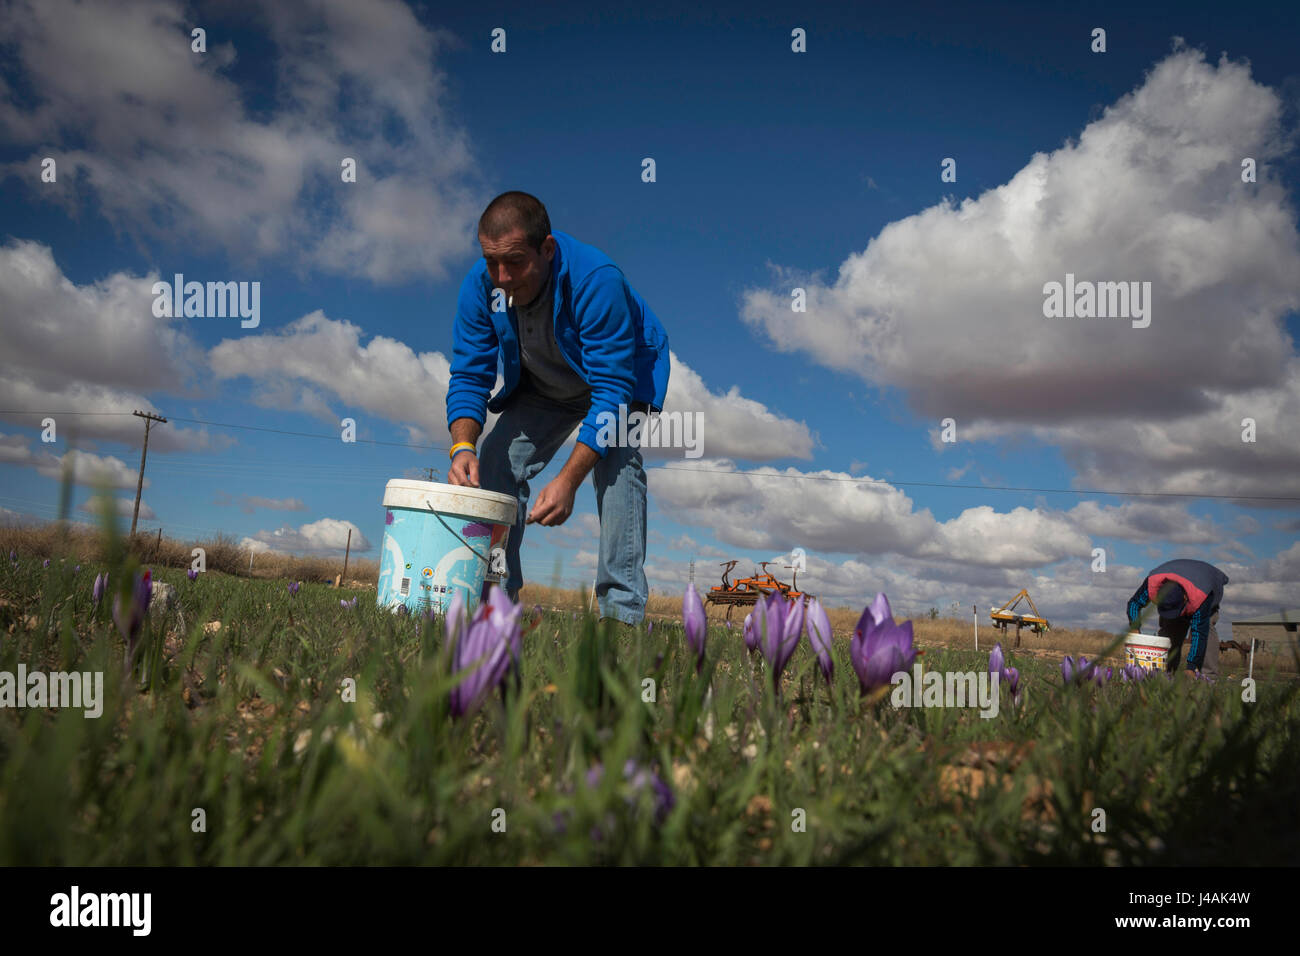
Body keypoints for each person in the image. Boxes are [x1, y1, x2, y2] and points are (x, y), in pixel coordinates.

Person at [444, 191, 670, 625]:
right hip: (545, 386)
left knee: (617, 463)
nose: (503, 277)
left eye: (515, 261)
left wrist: (568, 479)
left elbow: (612, 391)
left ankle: (620, 617)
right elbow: (469, 374)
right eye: (492, 261)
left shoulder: (596, 279)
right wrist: (462, 447)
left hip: (618, 379)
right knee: (494, 460)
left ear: (546, 249)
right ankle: (496, 601)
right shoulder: (482, 285)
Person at [1126, 558, 1229, 681]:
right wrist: (1134, 628)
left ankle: (1208, 677)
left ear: (1185, 598)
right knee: (1170, 629)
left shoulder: (1201, 596)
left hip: (1208, 585)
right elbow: (1134, 603)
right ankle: (1166, 672)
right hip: (1182, 578)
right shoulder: (1152, 584)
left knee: (1207, 629)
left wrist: (1191, 667)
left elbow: (1199, 633)